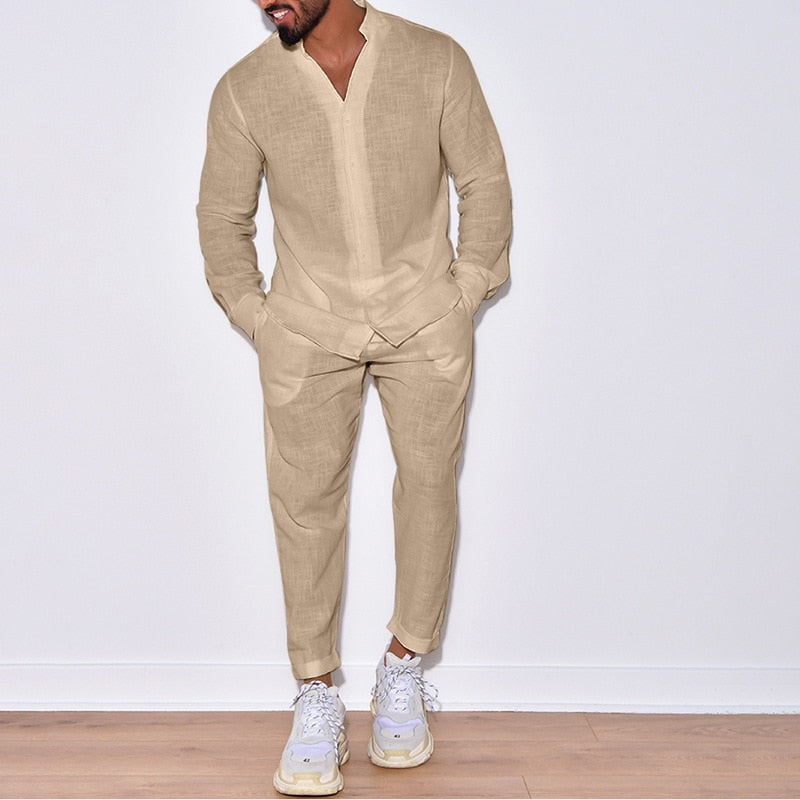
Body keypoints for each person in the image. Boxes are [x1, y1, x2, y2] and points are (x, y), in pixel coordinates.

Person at [197, 0, 511, 794]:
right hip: (305, 328)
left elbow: (484, 182)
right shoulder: (243, 90)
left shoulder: (435, 60)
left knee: (430, 485)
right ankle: (315, 693)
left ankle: (404, 667)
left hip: (424, 318)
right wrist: (262, 321)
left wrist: (464, 291)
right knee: (303, 505)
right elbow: (222, 223)